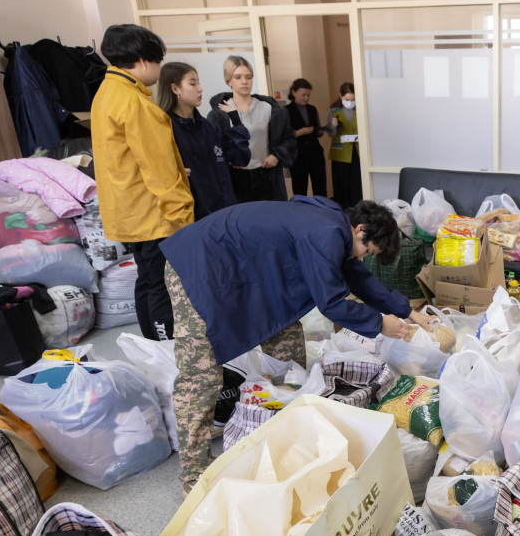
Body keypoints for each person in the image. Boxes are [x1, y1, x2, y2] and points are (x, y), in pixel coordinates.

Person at [160, 198, 437, 492]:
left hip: (245, 272)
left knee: (287, 345)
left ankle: (284, 432)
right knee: (201, 377)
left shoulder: (337, 230)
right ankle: (194, 474)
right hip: (196, 268)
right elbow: (330, 301)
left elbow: (360, 279)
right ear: (360, 229)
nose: (360, 259)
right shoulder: (325, 232)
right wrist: (381, 324)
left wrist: (409, 312)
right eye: (365, 251)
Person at [91, 24, 193, 341]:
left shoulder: (107, 93)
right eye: (158, 61)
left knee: (147, 279)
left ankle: (153, 344)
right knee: (163, 284)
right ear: (141, 59)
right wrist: (182, 216)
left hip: (130, 210)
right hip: (154, 214)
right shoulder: (136, 103)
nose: (159, 70)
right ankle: (167, 348)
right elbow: (157, 168)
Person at [157, 62, 248, 219]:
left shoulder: (208, 126)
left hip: (225, 211)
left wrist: (236, 122)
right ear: (175, 88)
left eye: (199, 82)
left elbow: (239, 159)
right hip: (193, 218)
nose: (200, 88)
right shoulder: (164, 129)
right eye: (193, 83)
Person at [208, 55, 296, 203]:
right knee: (242, 222)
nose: (244, 81)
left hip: (266, 176)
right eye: (238, 77)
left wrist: (277, 155)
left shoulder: (269, 108)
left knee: (272, 219)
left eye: (248, 77)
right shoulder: (219, 114)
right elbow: (214, 149)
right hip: (236, 180)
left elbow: (289, 137)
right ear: (228, 80)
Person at [285, 78, 328, 198]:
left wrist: (323, 129)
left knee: (320, 186)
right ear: (293, 92)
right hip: (297, 154)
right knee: (300, 188)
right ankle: (301, 213)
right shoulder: (286, 110)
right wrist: (301, 132)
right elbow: (285, 135)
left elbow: (318, 133)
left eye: (308, 95)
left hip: (315, 152)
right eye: (303, 95)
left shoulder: (312, 109)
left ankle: (322, 211)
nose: (306, 98)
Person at [325, 82, 362, 208]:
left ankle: (357, 210)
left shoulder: (360, 110)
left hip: (357, 151)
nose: (350, 102)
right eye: (347, 99)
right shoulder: (333, 111)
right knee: (342, 185)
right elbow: (330, 134)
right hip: (340, 153)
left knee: (357, 184)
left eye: (353, 99)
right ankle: (342, 210)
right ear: (341, 96)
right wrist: (333, 126)